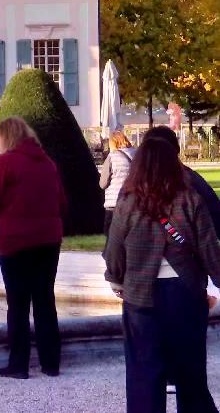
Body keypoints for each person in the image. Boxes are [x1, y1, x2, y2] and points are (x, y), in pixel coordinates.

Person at [104, 137, 220, 413]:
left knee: (143, 374)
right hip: (185, 293)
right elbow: (209, 249)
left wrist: (117, 279)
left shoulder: (128, 200)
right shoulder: (189, 199)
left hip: (140, 296)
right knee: (190, 373)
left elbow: (115, 248)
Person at [0, 116, 67, 379]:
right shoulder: (48, 163)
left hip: (15, 241)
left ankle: (19, 364)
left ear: (5, 137)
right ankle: (50, 362)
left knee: (17, 305)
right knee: (45, 301)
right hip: (48, 240)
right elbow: (62, 202)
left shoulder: (4, 163)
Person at [100, 130, 136, 235]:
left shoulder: (112, 157)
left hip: (113, 203)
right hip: (132, 202)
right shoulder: (137, 154)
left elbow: (103, 183)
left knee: (111, 235)